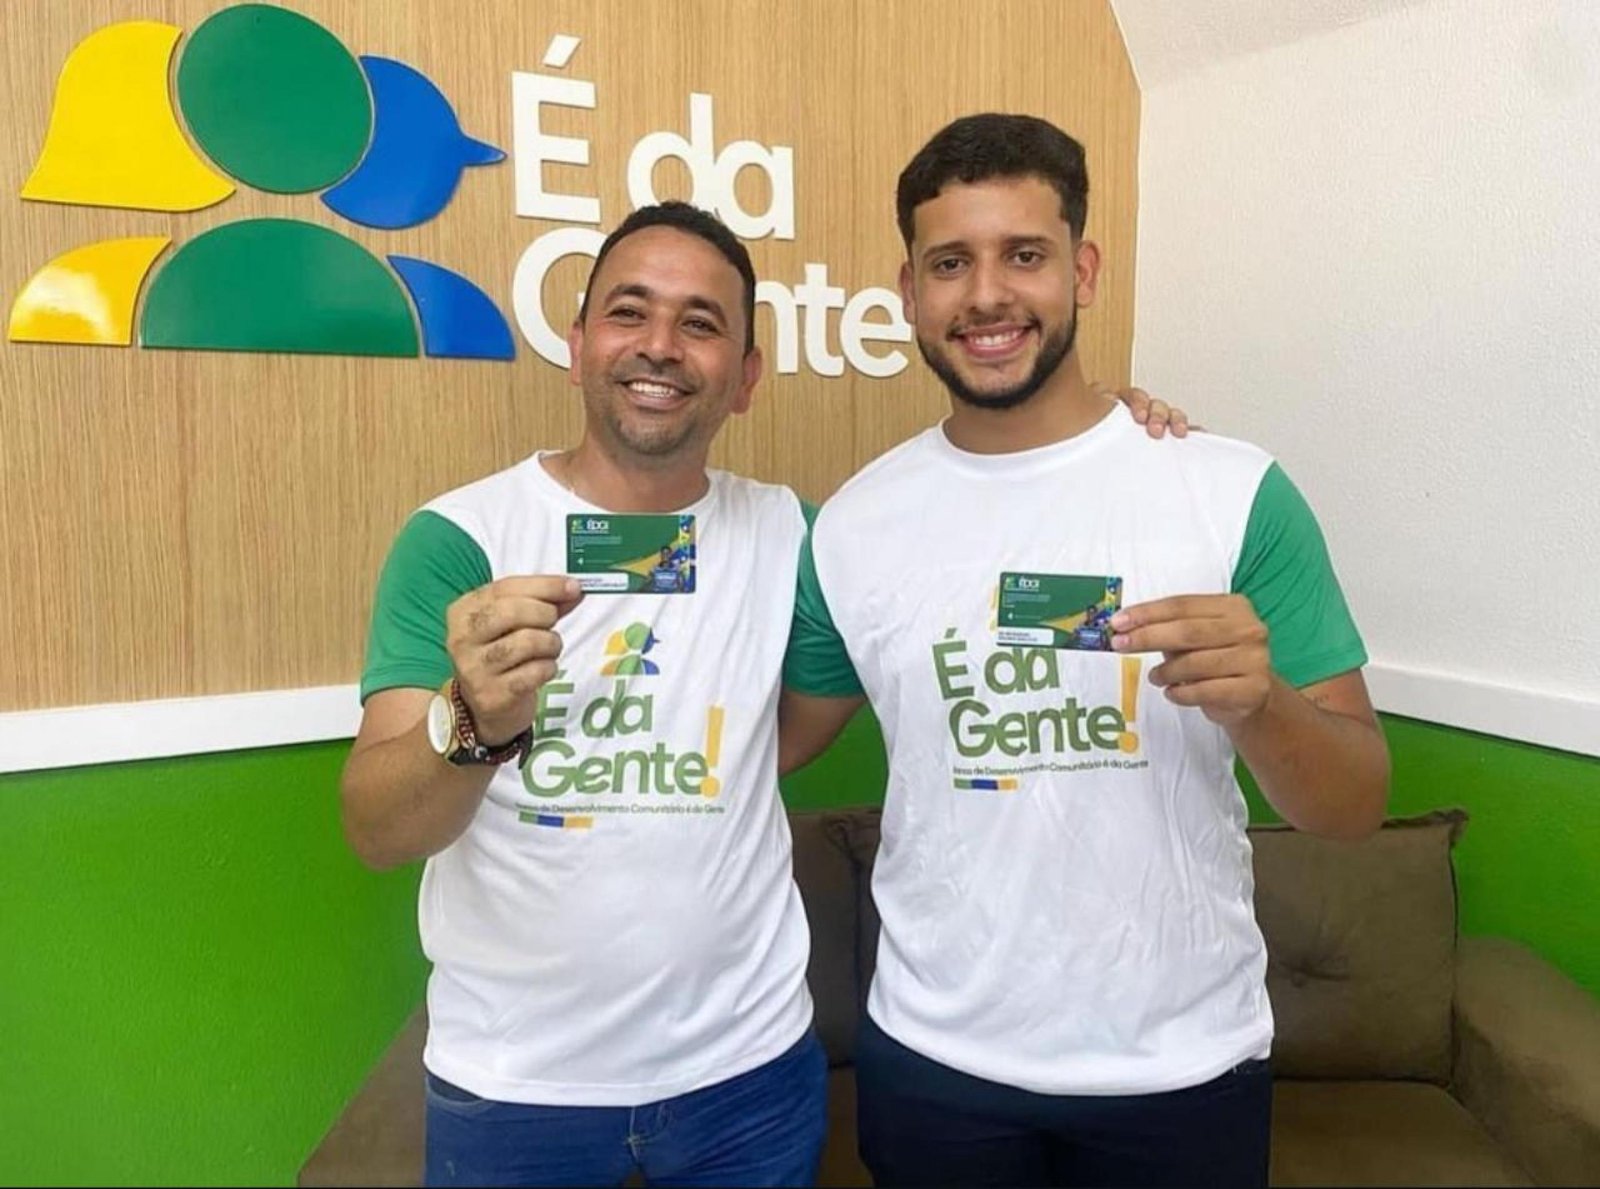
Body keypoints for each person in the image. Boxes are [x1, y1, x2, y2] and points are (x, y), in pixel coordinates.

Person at [341, 199, 1187, 1188]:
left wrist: (1101, 435)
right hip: (515, 1084)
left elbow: (971, 570)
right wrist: (475, 722)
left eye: (700, 322)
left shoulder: (801, 540)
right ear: (576, 345)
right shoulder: (459, 540)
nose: (660, 345)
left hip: (747, 1080)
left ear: (744, 377)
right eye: (628, 312)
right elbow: (378, 828)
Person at [779, 114, 1391, 1188]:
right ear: (909, 291)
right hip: (935, 1064)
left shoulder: (1229, 492)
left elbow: (1351, 805)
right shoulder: (851, 526)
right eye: (950, 263)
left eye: (1025, 254)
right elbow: (762, 746)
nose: (987, 295)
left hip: (1180, 1067)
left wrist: (1262, 704)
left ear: (1085, 270)